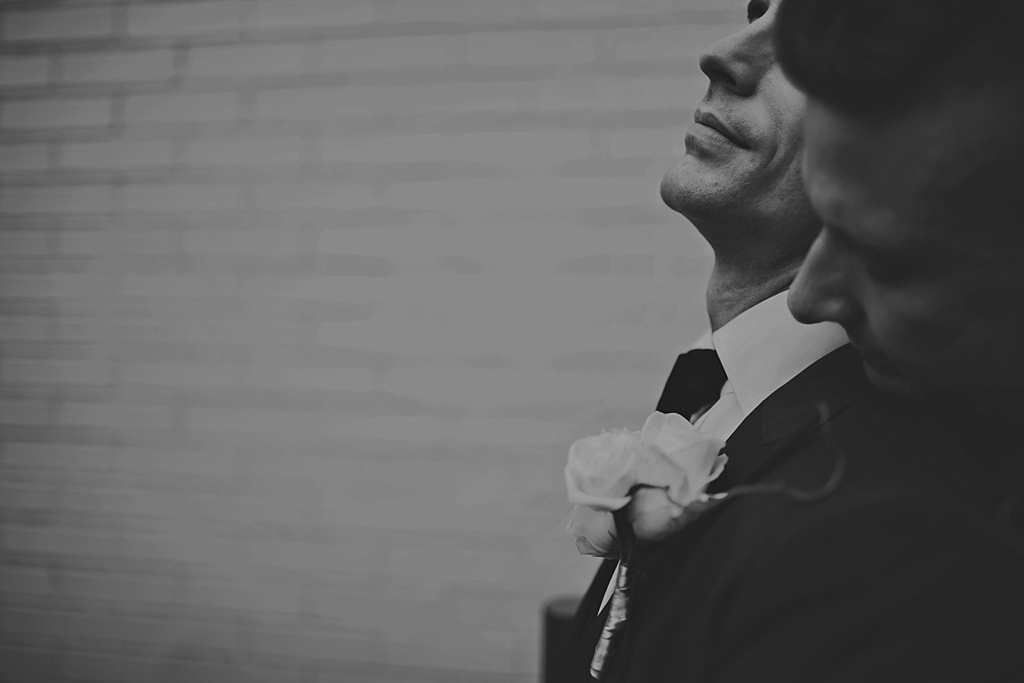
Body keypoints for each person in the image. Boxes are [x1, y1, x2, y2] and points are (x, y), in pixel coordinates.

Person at [555, 1, 1024, 681]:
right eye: (756, 6)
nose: (722, 54)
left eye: (812, 38)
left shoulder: (890, 525)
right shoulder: (723, 387)